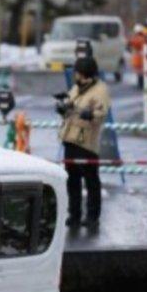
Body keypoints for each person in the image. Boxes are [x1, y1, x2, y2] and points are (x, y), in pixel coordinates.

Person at [57, 45, 111, 228]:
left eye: (77, 72)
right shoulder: (77, 87)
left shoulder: (100, 90)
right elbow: (70, 103)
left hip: (86, 143)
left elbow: (101, 114)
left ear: (84, 73)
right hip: (70, 139)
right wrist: (62, 106)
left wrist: (91, 115)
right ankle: (74, 215)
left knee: (91, 180)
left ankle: (92, 216)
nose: (74, 75)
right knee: (72, 180)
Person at [128, 24, 147, 90]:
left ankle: (141, 84)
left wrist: (130, 40)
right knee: (141, 72)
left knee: (140, 72)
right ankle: (141, 83)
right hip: (141, 57)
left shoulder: (140, 38)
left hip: (140, 57)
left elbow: (133, 42)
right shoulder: (144, 37)